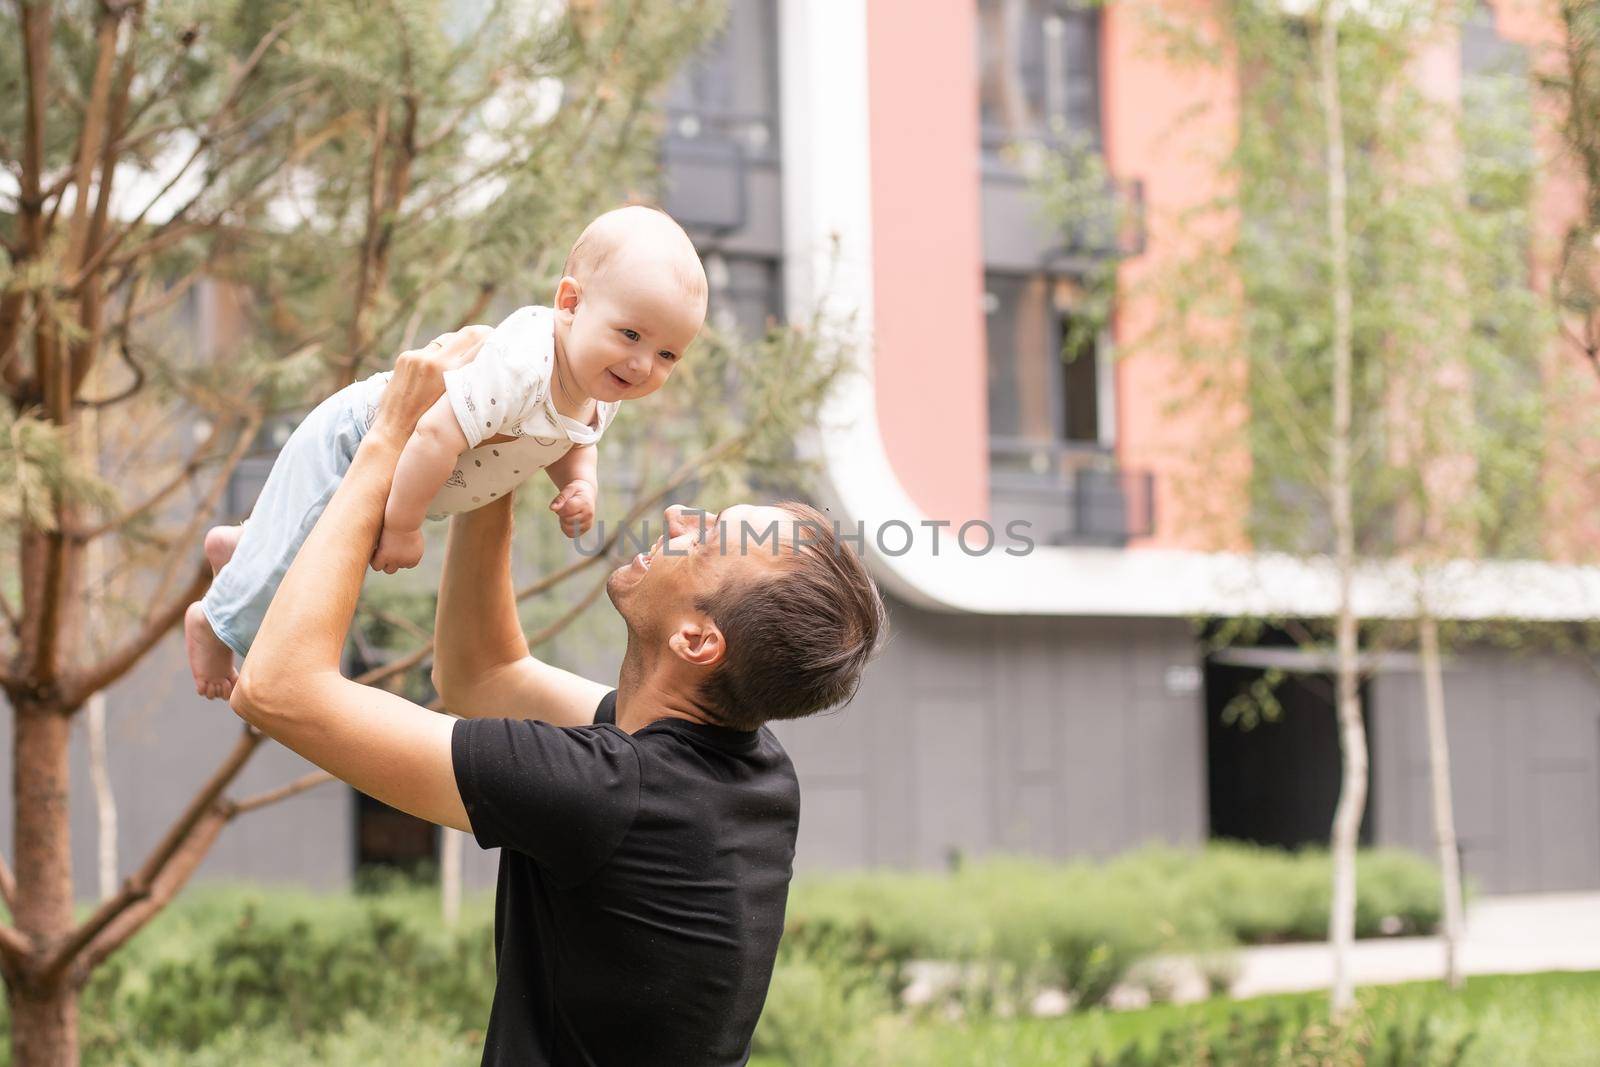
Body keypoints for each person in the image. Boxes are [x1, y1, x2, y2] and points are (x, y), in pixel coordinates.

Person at [227, 330, 887, 1066]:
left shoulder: (613, 794)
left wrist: (386, 437)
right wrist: (509, 438)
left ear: (699, 642)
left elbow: (277, 688)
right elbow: (482, 675)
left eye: (702, 542)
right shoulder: (739, 766)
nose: (676, 519)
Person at [187, 205, 709, 700]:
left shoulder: (600, 382)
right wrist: (403, 526)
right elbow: (436, 436)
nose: (642, 365)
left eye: (666, 354)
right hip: (358, 442)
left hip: (396, 466)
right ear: (570, 304)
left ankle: (240, 549)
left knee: (306, 549)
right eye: (631, 334)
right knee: (309, 572)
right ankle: (214, 622)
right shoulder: (523, 366)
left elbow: (572, 437)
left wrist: (580, 483)